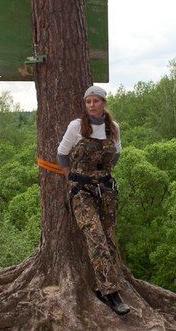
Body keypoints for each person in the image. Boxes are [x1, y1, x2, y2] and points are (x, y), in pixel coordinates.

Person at [57, 85, 131, 315]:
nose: (91, 105)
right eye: (88, 102)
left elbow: (116, 154)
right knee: (95, 234)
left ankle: (105, 284)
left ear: (104, 103)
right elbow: (61, 154)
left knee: (109, 237)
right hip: (82, 192)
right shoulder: (77, 126)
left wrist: (103, 174)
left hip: (106, 191)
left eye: (96, 101)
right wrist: (73, 178)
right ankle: (112, 293)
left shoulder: (113, 128)